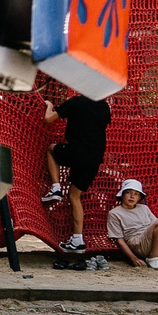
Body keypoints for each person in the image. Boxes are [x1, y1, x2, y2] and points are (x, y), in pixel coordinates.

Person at [40, 90, 111, 254]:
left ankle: (56, 188)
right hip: (94, 158)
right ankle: (78, 240)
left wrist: (49, 105)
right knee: (74, 196)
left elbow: (48, 118)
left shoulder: (75, 102)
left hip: (77, 151)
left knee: (51, 149)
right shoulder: (104, 107)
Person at [106, 178, 158, 269]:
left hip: (153, 241)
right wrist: (134, 258)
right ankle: (153, 256)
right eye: (128, 192)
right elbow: (119, 240)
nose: (132, 196)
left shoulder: (144, 208)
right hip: (138, 244)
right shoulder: (114, 213)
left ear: (139, 197)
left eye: (136, 194)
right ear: (122, 195)